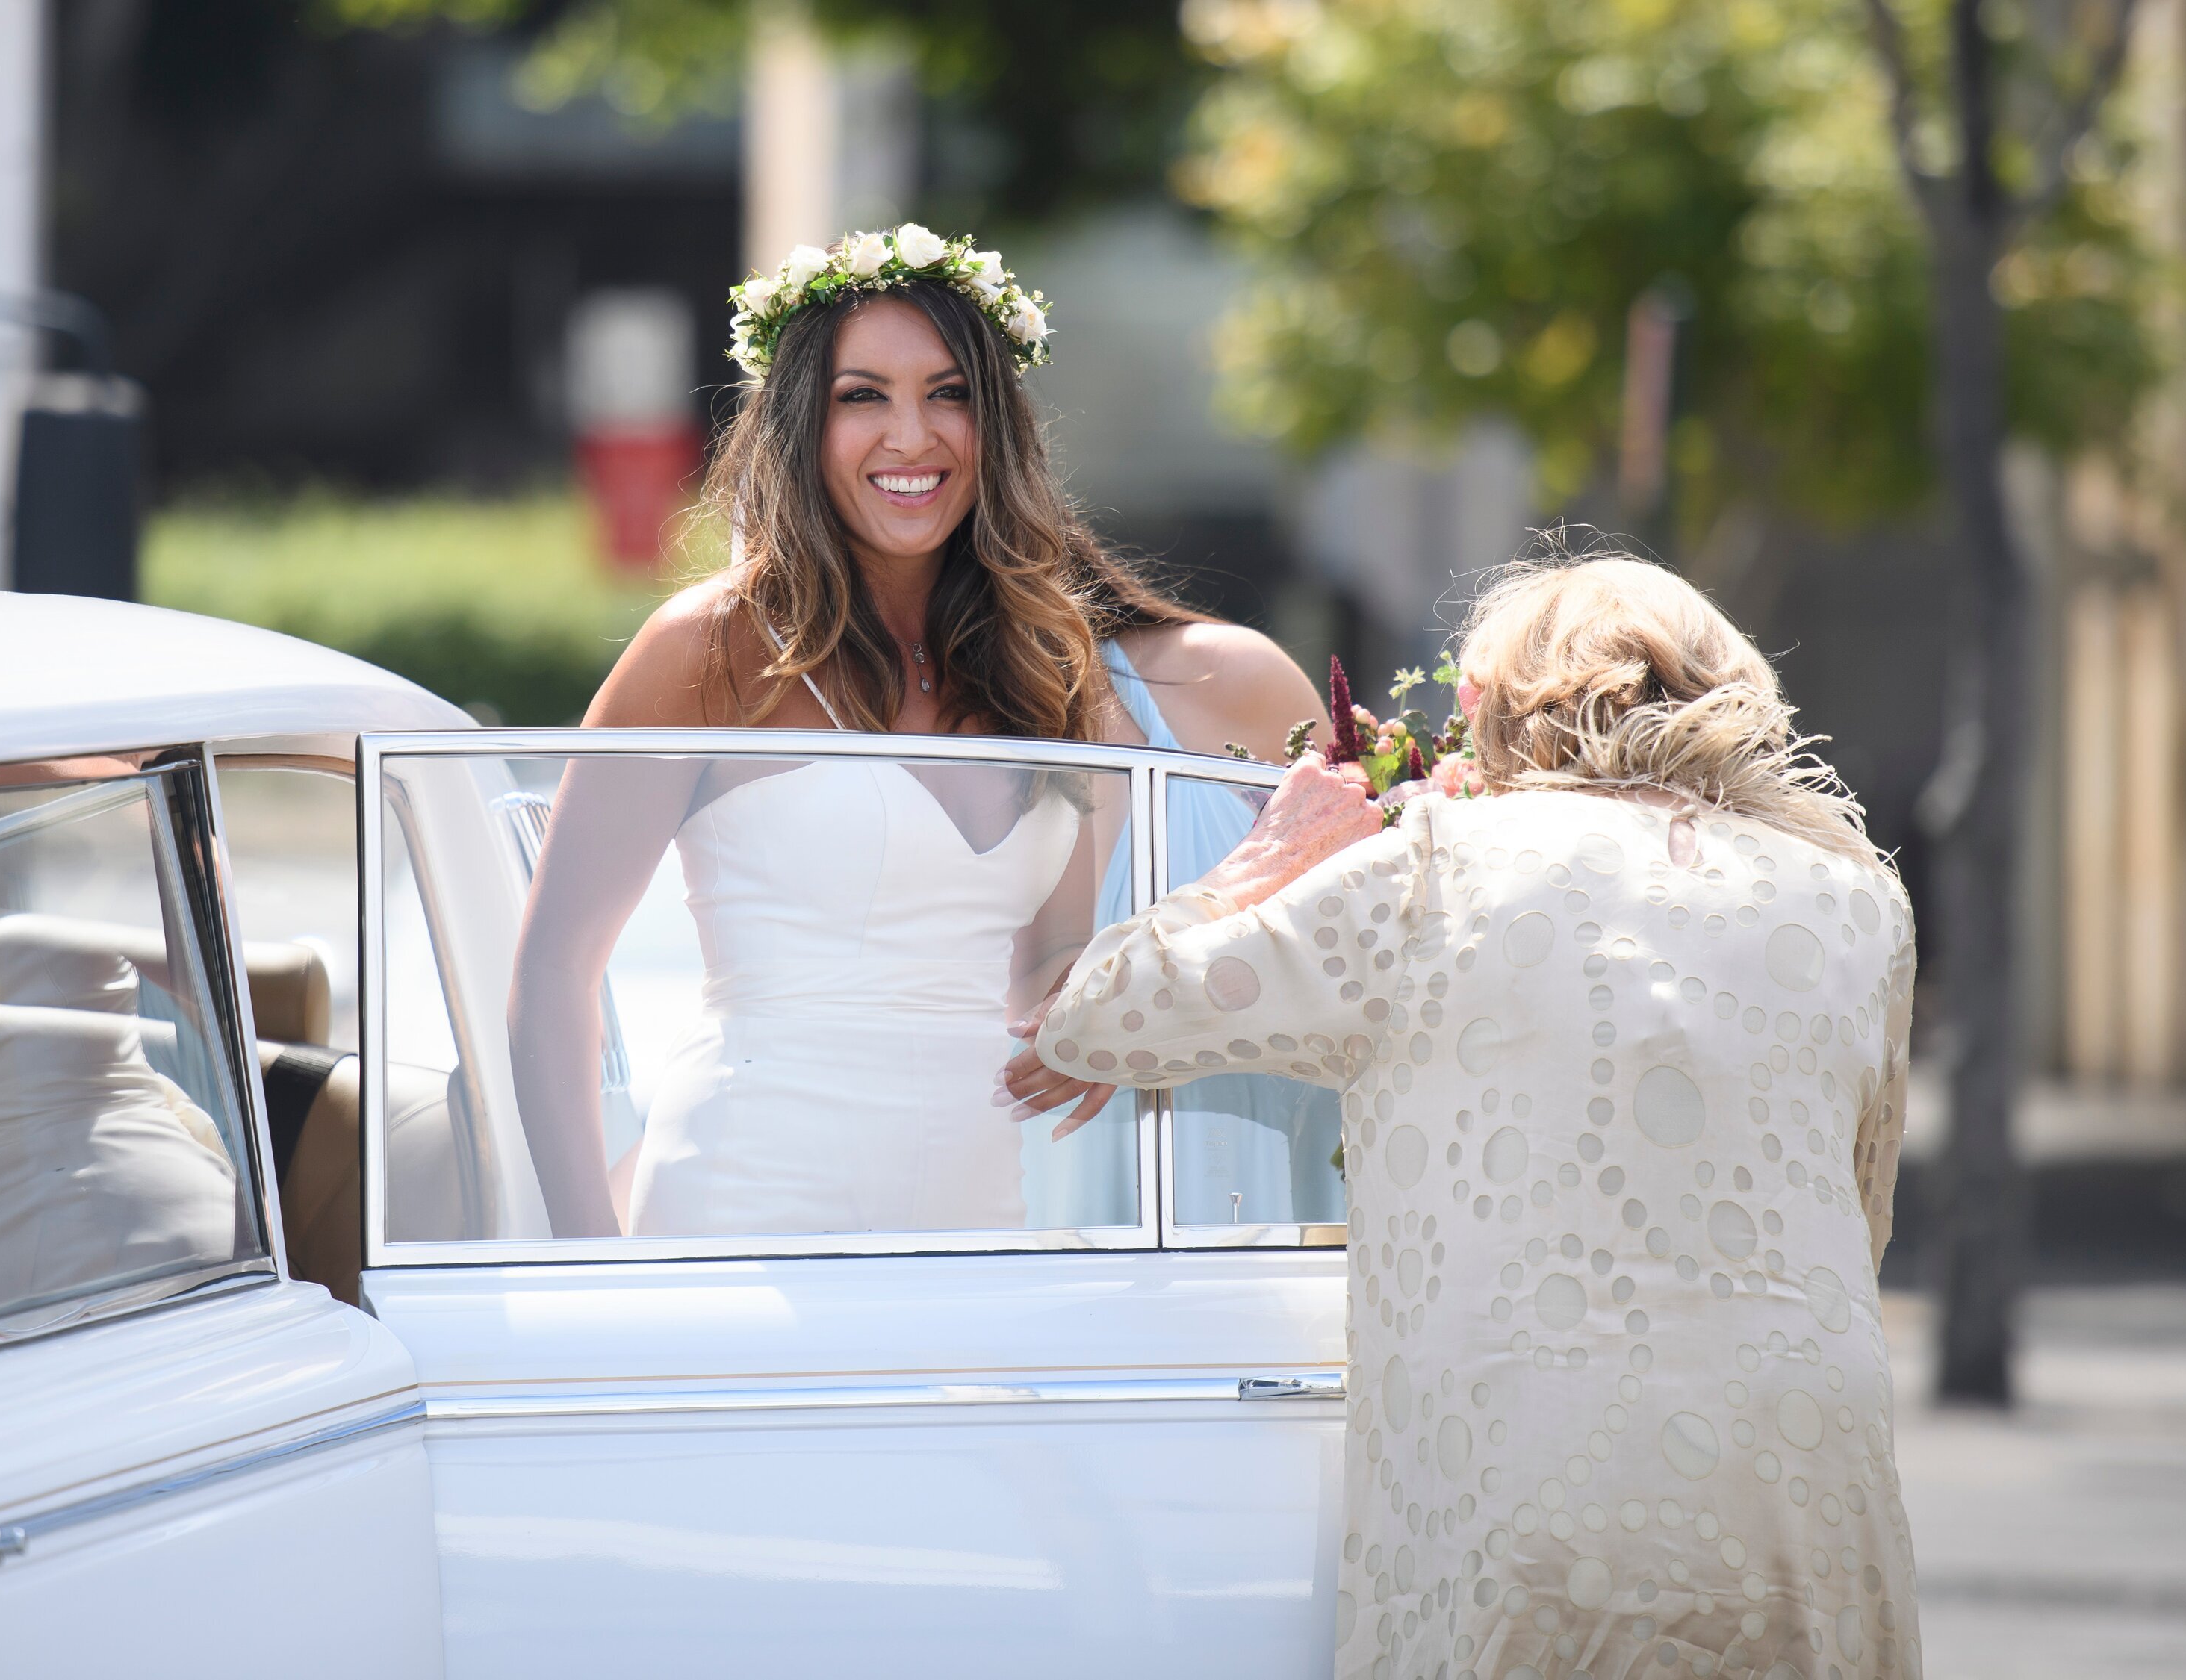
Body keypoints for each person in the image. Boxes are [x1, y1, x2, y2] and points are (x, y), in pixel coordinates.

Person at [1021, 550, 1922, 1680]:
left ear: (1493, 706)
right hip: (1808, 1489)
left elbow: (1095, 1014)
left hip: (1530, 1493)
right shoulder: (1858, 894)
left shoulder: (1433, 870)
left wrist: (1267, 855)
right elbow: (1861, 1209)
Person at [506, 225, 1324, 1239]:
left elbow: (1048, 963)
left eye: (949, 394)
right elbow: (553, 971)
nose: (912, 436)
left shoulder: (1039, 662)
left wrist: (1126, 993)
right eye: (865, 397)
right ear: (804, 422)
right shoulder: (710, 648)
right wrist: (587, 1264)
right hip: (747, 1197)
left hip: (977, 1211)